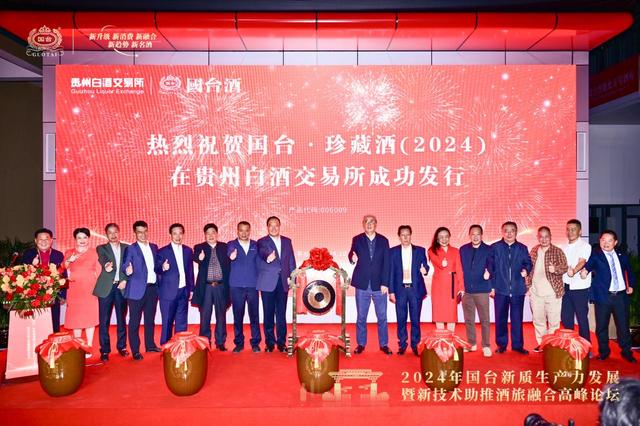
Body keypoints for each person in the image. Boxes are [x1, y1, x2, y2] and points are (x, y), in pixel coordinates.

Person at [580, 229, 636, 363]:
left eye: (609, 240)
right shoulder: (596, 255)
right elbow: (588, 266)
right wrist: (584, 271)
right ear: (600, 241)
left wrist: (631, 285)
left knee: (623, 326)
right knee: (601, 327)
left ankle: (626, 352)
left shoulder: (622, 255)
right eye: (603, 240)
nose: (606, 243)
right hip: (603, 297)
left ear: (615, 242)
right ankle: (604, 352)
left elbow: (629, 271)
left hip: (621, 296)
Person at [348, 214, 392, 355]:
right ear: (363, 224)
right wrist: (352, 258)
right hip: (362, 284)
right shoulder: (357, 239)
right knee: (361, 317)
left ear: (376, 224)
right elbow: (351, 254)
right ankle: (361, 344)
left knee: (382, 317)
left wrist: (385, 283)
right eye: (366, 221)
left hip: (379, 285)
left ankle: (384, 344)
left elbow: (387, 263)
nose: (369, 224)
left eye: (372, 221)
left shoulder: (384, 240)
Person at [119, 220, 161, 360]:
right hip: (136, 291)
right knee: (134, 322)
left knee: (150, 319)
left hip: (152, 289)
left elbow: (157, 265)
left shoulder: (154, 247)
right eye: (139, 232)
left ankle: (150, 345)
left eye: (144, 231)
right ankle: (136, 350)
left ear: (147, 231)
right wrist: (127, 270)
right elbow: (125, 264)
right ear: (135, 233)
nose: (142, 234)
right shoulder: (131, 249)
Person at [491, 221, 533, 355]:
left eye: (512, 231)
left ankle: (518, 345)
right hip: (500, 289)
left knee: (517, 319)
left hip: (517, 289)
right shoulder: (495, 247)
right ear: (502, 232)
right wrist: (492, 287)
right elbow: (491, 267)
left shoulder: (522, 248)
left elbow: (528, 263)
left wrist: (526, 270)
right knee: (500, 319)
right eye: (506, 231)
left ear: (516, 232)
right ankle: (501, 345)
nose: (509, 233)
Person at [257, 216, 296, 353]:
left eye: (276, 225)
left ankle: (281, 343)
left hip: (283, 282)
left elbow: (291, 260)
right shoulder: (262, 241)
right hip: (268, 282)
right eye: (271, 225)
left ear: (279, 226)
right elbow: (262, 252)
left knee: (281, 314)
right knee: (268, 314)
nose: (273, 228)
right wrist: (268, 257)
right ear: (267, 227)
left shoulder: (287, 241)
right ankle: (269, 343)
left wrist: (293, 278)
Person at [526, 226, 568, 352]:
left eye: (546, 237)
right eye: (541, 237)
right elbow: (528, 269)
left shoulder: (557, 251)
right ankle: (542, 344)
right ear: (538, 237)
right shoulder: (534, 250)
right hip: (535, 292)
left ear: (550, 237)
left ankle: (551, 345)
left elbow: (565, 267)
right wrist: (528, 286)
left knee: (554, 322)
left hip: (553, 292)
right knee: (538, 320)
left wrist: (555, 269)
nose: (543, 239)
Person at [388, 225, 428, 356]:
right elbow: (391, 273)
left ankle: (415, 345)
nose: (405, 237)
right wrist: (391, 291)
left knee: (415, 319)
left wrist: (425, 270)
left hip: (415, 290)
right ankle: (402, 344)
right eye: (402, 235)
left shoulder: (420, 250)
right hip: (400, 290)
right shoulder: (393, 252)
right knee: (401, 319)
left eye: (408, 234)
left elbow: (425, 265)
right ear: (399, 236)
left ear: (411, 235)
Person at [192, 223, 230, 350]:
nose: (211, 235)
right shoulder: (199, 247)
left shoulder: (224, 247)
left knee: (221, 316)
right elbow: (196, 258)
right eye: (208, 233)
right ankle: (205, 342)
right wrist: (200, 258)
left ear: (217, 234)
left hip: (221, 286)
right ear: (204, 235)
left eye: (213, 232)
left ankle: (220, 342)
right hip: (206, 287)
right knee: (205, 316)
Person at [94, 223, 129, 362]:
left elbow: (129, 265)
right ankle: (104, 350)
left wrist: (125, 279)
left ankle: (122, 347)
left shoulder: (127, 248)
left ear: (119, 232)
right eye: (110, 232)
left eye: (115, 232)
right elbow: (103, 259)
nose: (113, 235)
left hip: (121, 287)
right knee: (104, 321)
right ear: (106, 234)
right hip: (106, 288)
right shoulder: (101, 248)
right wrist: (106, 266)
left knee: (121, 319)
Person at [63, 227, 100, 357]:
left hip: (90, 289)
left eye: (85, 237)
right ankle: (79, 346)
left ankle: (88, 346)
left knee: (90, 318)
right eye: (79, 238)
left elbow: (99, 271)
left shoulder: (95, 253)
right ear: (75, 239)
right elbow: (63, 267)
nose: (82, 240)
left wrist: (99, 288)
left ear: (88, 238)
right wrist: (70, 260)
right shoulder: (69, 252)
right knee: (76, 319)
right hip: (74, 289)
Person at [21, 228, 65, 332]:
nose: (44, 241)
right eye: (41, 239)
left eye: (47, 239)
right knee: (36, 322)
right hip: (33, 294)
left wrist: (62, 295)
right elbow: (22, 274)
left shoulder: (58, 254)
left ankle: (53, 340)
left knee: (54, 321)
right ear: (35, 240)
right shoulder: (28, 254)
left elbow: (63, 275)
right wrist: (32, 265)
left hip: (53, 294)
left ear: (51, 240)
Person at [156, 223, 194, 345]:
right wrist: (163, 267)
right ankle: (166, 348)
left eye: (180, 233)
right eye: (175, 233)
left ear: (183, 234)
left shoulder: (188, 251)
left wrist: (191, 289)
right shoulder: (162, 251)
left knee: (182, 323)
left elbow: (190, 271)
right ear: (170, 235)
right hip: (168, 292)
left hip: (183, 291)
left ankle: (180, 347)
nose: (178, 236)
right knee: (167, 322)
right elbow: (156, 269)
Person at [459, 224, 493, 357]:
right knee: (469, 319)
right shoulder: (463, 249)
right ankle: (471, 343)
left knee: (485, 320)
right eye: (473, 234)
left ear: (481, 235)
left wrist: (489, 272)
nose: (475, 237)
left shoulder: (488, 249)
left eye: (478, 234)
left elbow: (493, 265)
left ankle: (486, 345)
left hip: (482, 290)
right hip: (467, 290)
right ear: (469, 235)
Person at [227, 221, 261, 353]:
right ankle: (239, 343)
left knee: (254, 316)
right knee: (238, 316)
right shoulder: (231, 244)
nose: (244, 233)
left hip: (252, 285)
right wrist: (232, 255)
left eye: (246, 230)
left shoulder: (255, 245)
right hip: (236, 286)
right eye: (241, 230)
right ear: (237, 231)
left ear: (250, 231)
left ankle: (255, 343)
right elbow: (229, 252)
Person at [561, 219, 592, 344]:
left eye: (573, 229)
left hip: (580, 288)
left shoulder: (585, 246)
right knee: (566, 318)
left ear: (580, 231)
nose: (570, 232)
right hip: (565, 287)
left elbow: (582, 261)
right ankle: (571, 345)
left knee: (582, 318)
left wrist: (573, 271)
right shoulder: (563, 247)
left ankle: (586, 346)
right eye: (568, 229)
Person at [427, 227, 464, 332]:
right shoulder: (432, 250)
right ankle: (441, 339)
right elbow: (437, 262)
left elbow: (459, 270)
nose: (444, 239)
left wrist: (461, 287)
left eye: (446, 236)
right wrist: (441, 262)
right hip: (438, 286)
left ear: (449, 237)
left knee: (451, 314)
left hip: (452, 286)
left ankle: (450, 340)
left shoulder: (455, 251)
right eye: (441, 237)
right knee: (439, 313)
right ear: (437, 238)